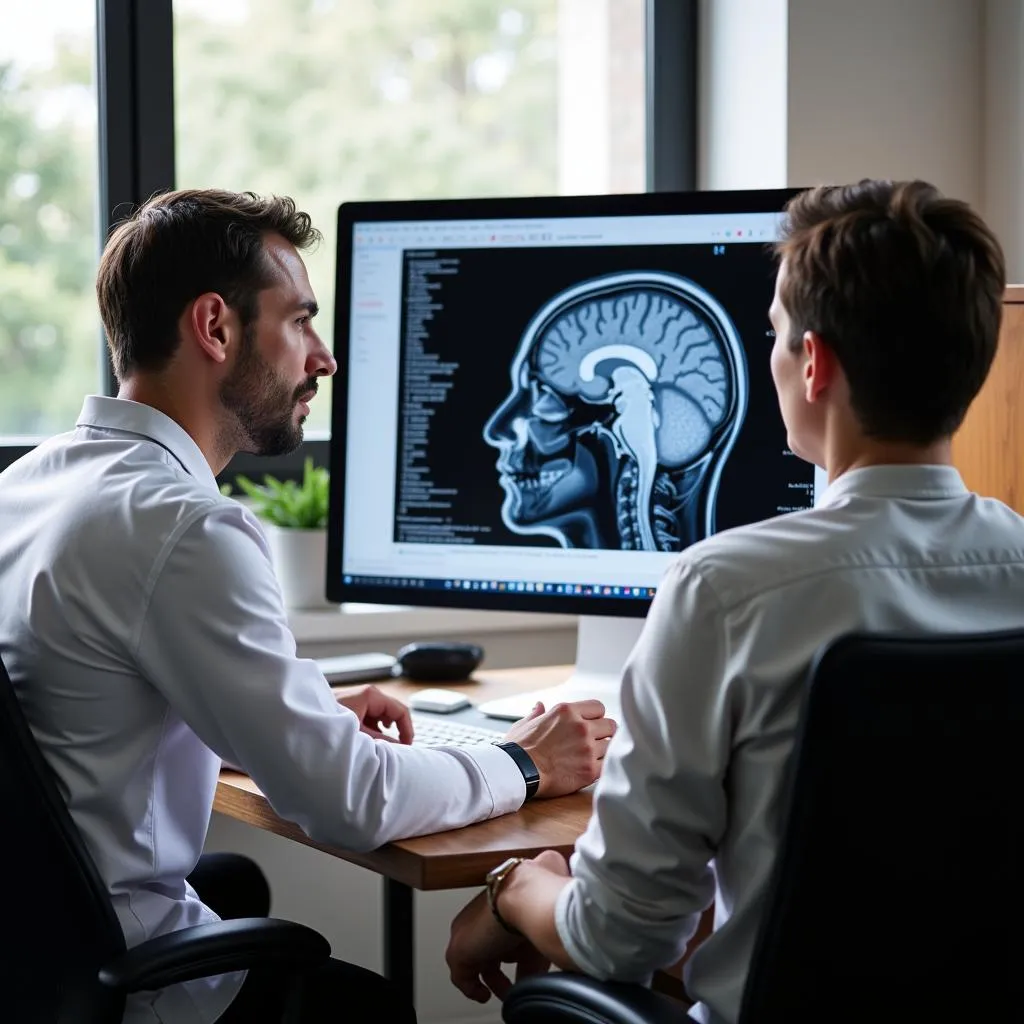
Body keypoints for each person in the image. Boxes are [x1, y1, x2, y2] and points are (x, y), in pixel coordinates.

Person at [0, 189, 616, 1024]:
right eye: (299, 322)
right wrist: (524, 763)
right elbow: (348, 802)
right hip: (126, 978)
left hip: (34, 951)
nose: (322, 359)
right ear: (214, 328)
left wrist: (299, 702)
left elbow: (92, 694)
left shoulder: (31, 486)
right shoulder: (185, 530)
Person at [444, 179, 1024, 1023]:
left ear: (815, 363)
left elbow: (619, 941)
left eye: (777, 336)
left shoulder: (724, 590)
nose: (776, 355)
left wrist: (511, 896)